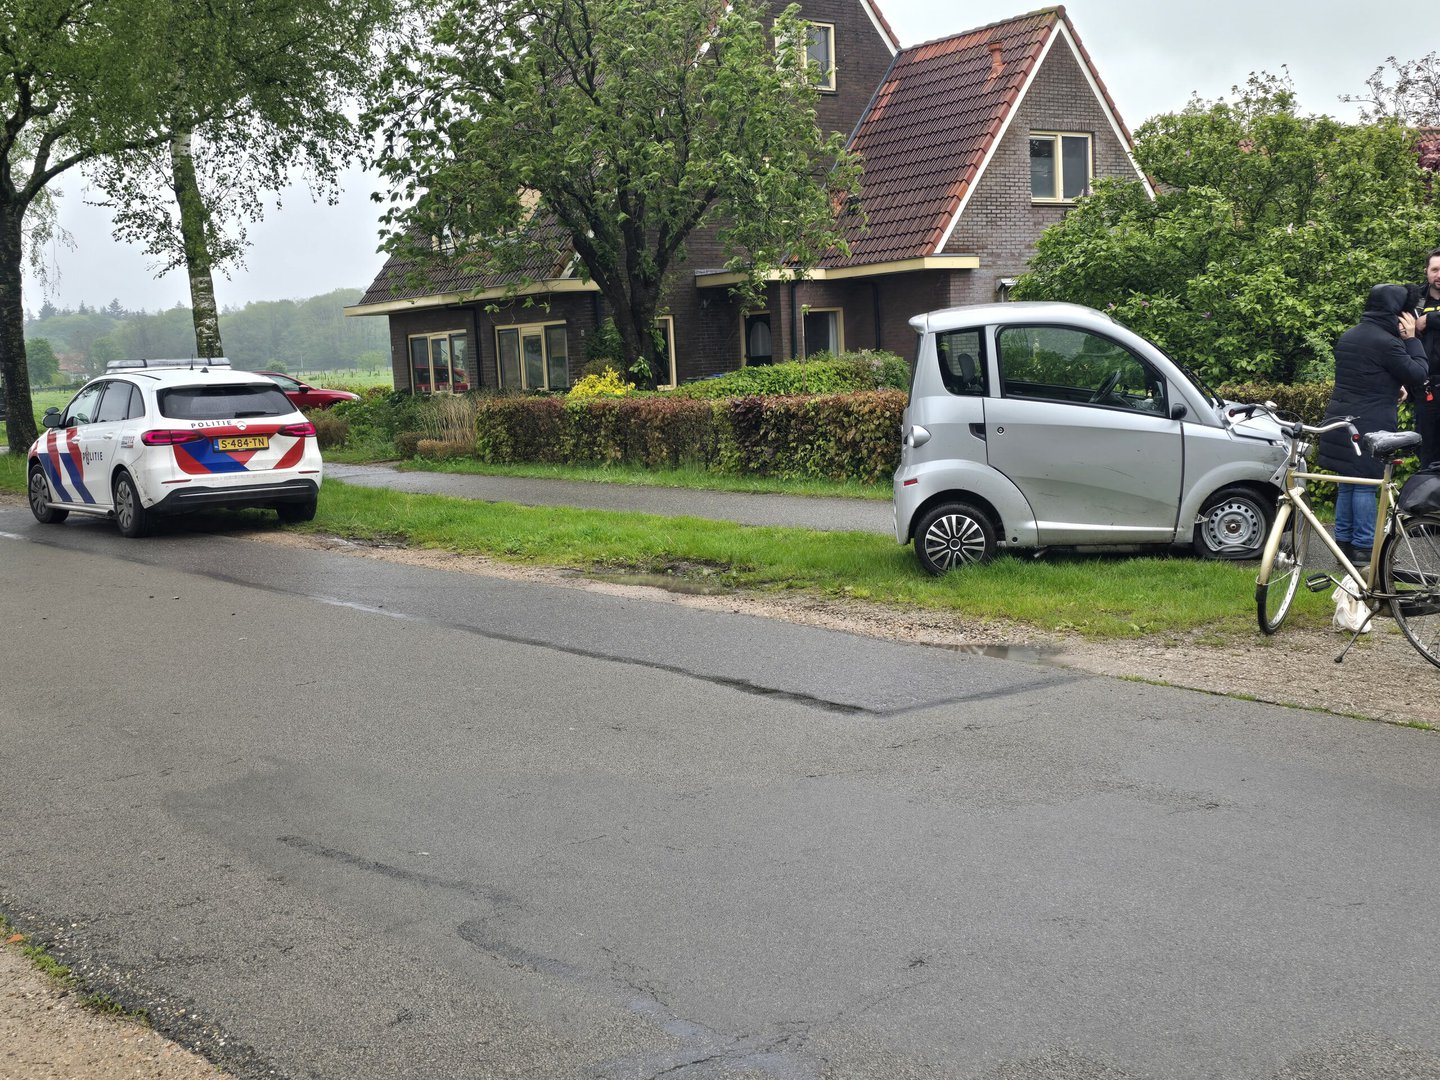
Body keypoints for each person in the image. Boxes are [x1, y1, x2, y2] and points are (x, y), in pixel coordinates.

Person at [1318, 284, 1428, 566]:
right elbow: (1418, 373)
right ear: (1399, 312)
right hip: (1369, 423)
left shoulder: (1350, 335)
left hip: (1340, 420)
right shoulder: (1388, 342)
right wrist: (1413, 339)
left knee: (1347, 484)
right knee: (1366, 484)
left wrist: (1393, 388)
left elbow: (1367, 375)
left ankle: (1343, 545)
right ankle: (1365, 548)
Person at [1410, 248, 1440, 468]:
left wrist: (1430, 320)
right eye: (1435, 269)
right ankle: (1428, 499)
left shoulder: (1425, 313)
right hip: (1426, 385)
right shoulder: (1415, 300)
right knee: (1427, 450)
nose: (1439, 275)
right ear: (1427, 272)